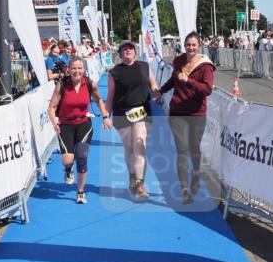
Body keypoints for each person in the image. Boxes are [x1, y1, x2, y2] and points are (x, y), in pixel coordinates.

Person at [156, 32, 216, 204]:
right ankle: (184, 190)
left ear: (199, 46)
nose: (190, 48)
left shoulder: (205, 66)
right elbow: (173, 81)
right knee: (182, 150)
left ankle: (196, 174)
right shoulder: (178, 61)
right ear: (184, 45)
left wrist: (188, 81)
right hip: (177, 112)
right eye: (188, 45)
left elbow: (207, 89)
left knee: (194, 148)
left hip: (196, 113)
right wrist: (161, 91)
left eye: (194, 45)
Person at [48, 56, 111, 204]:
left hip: (83, 124)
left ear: (84, 69)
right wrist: (54, 122)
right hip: (65, 125)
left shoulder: (90, 84)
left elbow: (99, 99)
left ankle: (81, 192)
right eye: (74, 68)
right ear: (69, 70)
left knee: (82, 156)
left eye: (79, 68)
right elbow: (52, 107)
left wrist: (105, 116)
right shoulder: (62, 85)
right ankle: (68, 169)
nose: (77, 71)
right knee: (67, 160)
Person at [106, 41, 160, 200]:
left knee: (139, 144)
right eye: (124, 49)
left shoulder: (144, 66)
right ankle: (132, 178)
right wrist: (106, 116)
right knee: (129, 148)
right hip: (121, 113)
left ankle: (140, 184)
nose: (128, 51)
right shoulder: (115, 72)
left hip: (142, 111)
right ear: (120, 54)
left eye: (130, 48)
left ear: (135, 51)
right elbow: (110, 96)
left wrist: (156, 93)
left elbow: (153, 84)